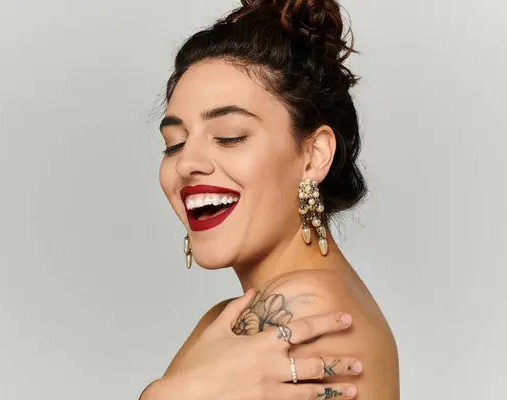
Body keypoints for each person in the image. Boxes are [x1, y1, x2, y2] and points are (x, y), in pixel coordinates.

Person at [141, 0, 399, 398]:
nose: (187, 162)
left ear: (314, 156)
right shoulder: (235, 320)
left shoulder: (302, 310)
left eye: (230, 135)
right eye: (174, 144)